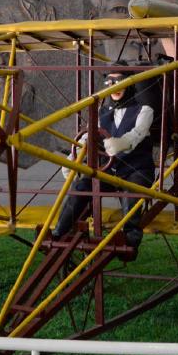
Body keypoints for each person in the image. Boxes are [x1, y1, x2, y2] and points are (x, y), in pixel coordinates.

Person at [51, 65, 155, 247]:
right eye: (109, 82)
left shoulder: (144, 110)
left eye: (119, 81)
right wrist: (73, 157)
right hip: (109, 170)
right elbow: (88, 136)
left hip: (136, 169)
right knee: (81, 185)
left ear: (130, 84)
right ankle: (59, 232)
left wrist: (122, 143)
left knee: (132, 191)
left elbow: (137, 133)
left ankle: (130, 236)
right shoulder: (102, 112)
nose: (114, 86)